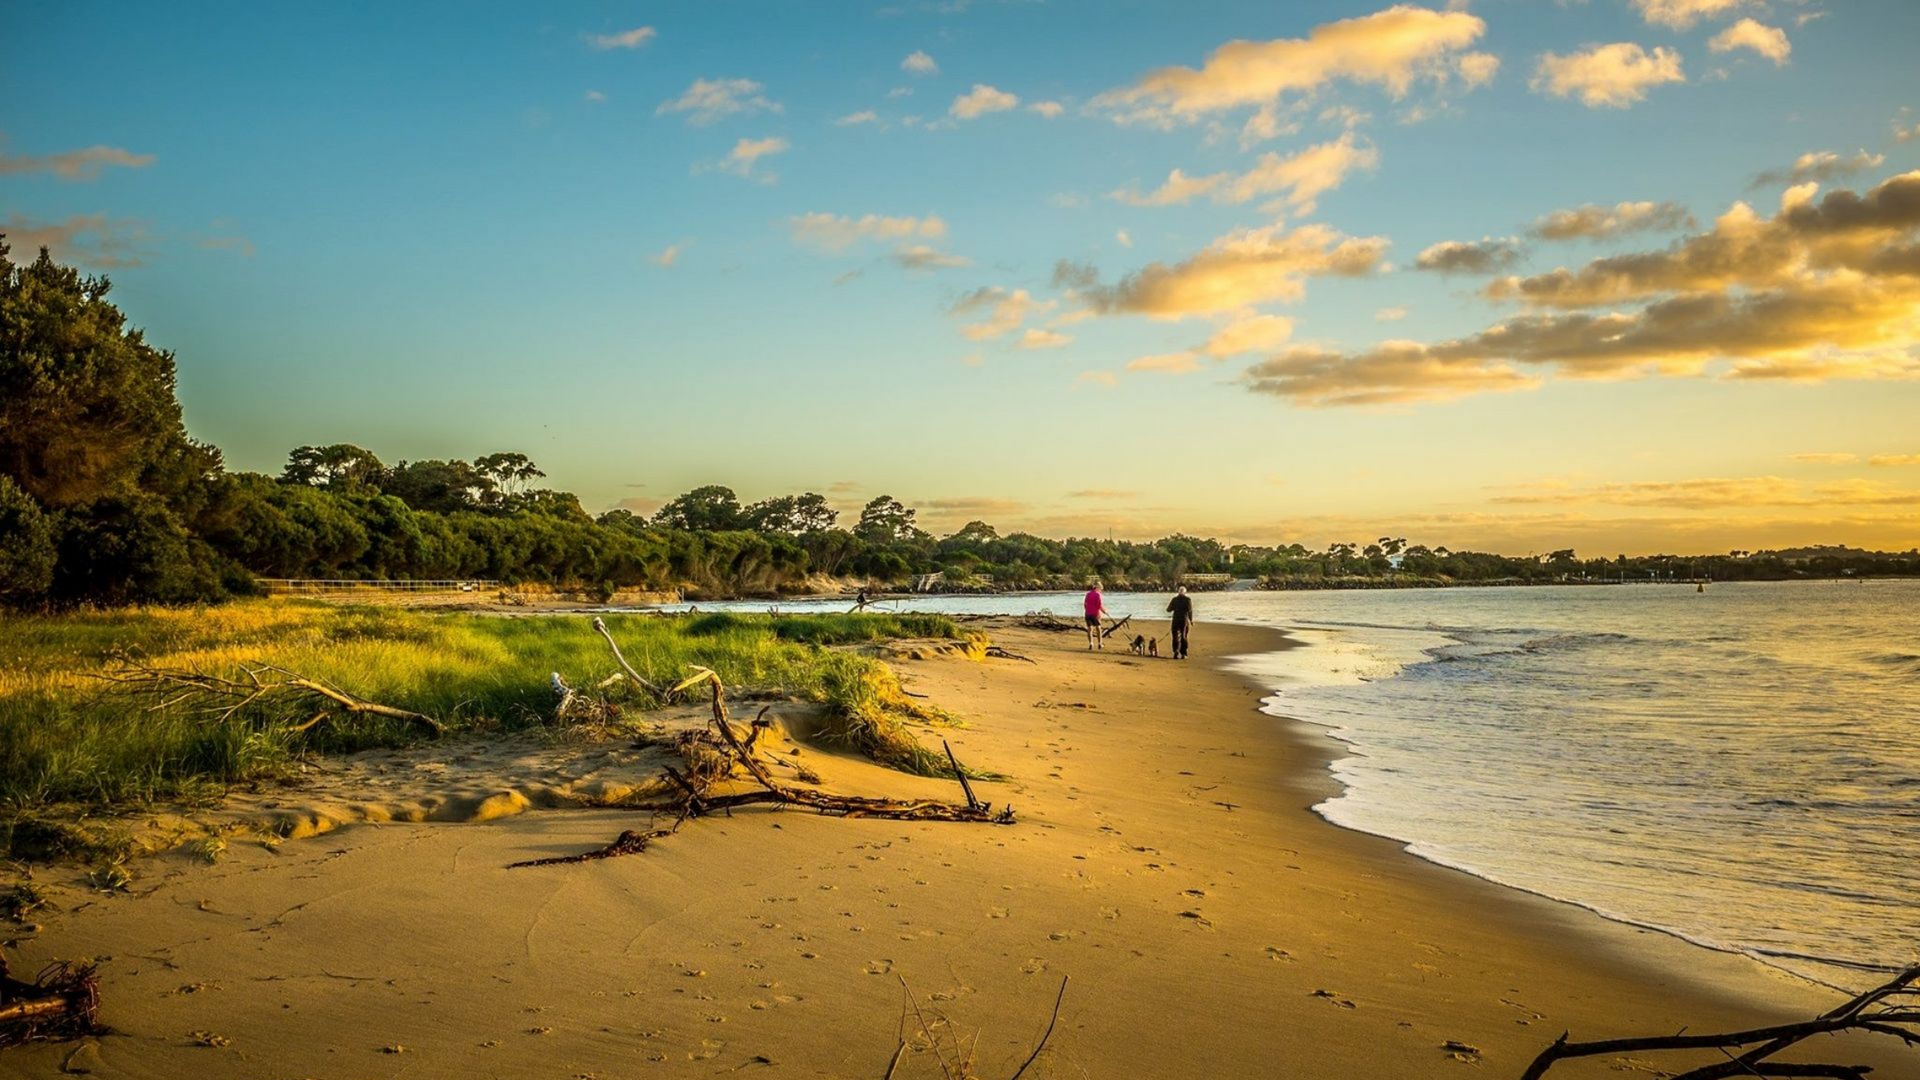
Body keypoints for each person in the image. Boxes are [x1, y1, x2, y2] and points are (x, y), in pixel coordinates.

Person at [1166, 585, 1193, 659]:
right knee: (1184, 636)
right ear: (1185, 592)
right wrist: (1191, 620)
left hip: (1176, 619)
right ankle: (1184, 653)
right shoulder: (1188, 600)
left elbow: (1168, 609)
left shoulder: (1174, 599)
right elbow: (1190, 611)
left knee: (1175, 636)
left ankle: (1176, 652)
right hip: (1184, 620)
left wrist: (1174, 608)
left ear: (1178, 592)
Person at [1083, 581, 1108, 651]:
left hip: (1088, 613)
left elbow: (1085, 604)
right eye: (1100, 589)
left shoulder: (1088, 594)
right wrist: (1104, 611)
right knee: (1098, 628)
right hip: (1095, 614)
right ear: (1097, 588)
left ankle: (1091, 643)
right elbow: (1099, 605)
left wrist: (1087, 610)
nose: (1101, 590)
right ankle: (1100, 643)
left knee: (1090, 628)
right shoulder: (1098, 595)